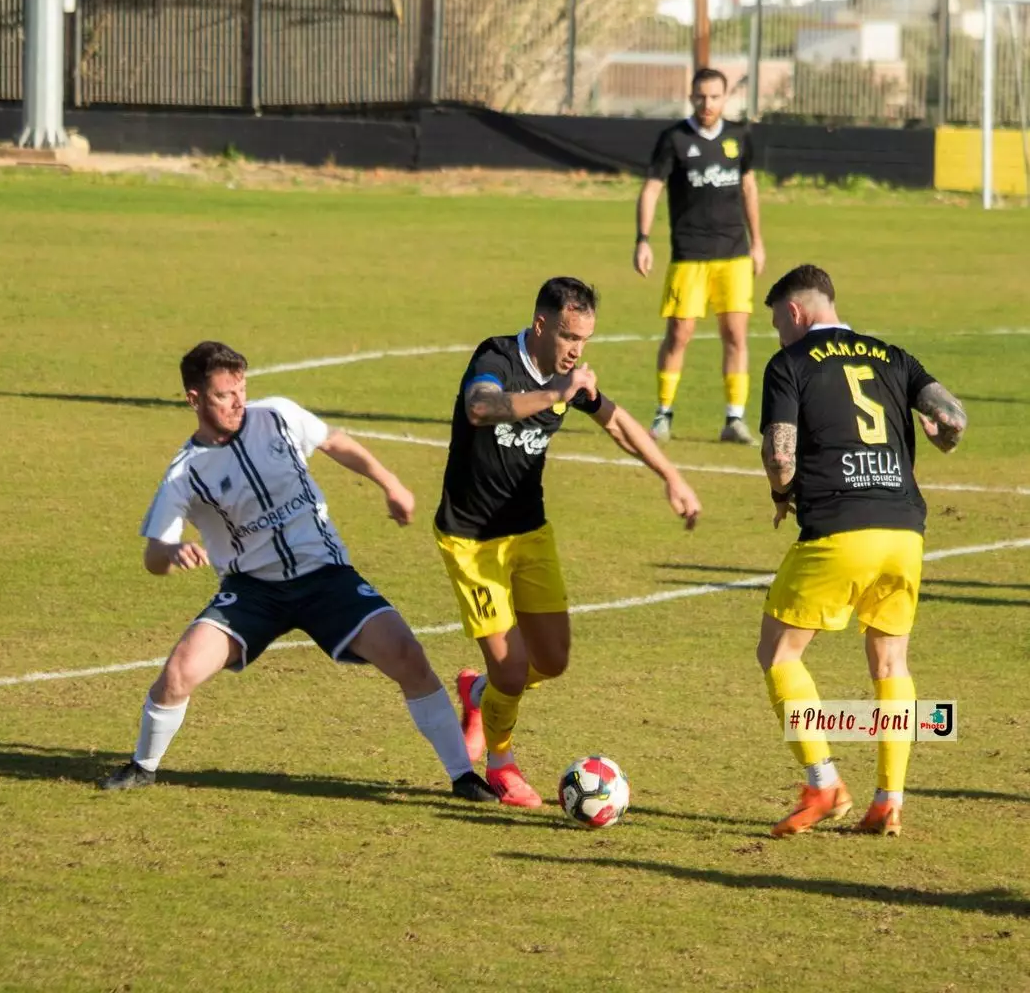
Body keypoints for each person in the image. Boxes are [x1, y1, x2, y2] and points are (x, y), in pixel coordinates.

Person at [99, 341, 496, 802]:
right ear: (194, 399)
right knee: (179, 672)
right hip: (253, 593)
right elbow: (153, 555)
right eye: (224, 394)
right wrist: (172, 555)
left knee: (407, 654)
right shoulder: (186, 472)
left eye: (240, 388)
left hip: (326, 577)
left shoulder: (278, 416)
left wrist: (391, 484)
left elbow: (336, 442)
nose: (237, 402)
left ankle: (463, 776)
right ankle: (142, 767)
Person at [440, 277, 702, 807]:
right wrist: (555, 393)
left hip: (529, 532)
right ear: (542, 326)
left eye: (583, 339)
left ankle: (479, 694)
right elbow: (481, 407)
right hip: (471, 539)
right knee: (513, 668)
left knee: (552, 660)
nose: (576, 350)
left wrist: (671, 476)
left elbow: (618, 423)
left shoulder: (571, 376)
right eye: (567, 337)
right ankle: (500, 764)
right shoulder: (496, 357)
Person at [756, 264, 966, 838]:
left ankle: (823, 782)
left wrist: (781, 495)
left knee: (779, 654)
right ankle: (888, 800)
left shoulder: (789, 364)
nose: (779, 335)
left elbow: (780, 454)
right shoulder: (894, 357)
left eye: (778, 324)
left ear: (796, 314)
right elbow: (953, 418)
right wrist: (941, 439)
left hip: (839, 529)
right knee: (891, 663)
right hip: (904, 532)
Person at [634, 67, 767, 445]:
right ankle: (663, 414)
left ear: (726, 98)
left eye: (714, 97)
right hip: (689, 254)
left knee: (735, 333)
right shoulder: (673, 139)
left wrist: (758, 242)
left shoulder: (740, 137)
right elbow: (650, 190)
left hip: (734, 254)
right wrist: (643, 239)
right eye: (700, 97)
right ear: (691, 97)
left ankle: (734, 420)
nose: (707, 104)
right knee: (679, 334)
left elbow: (749, 189)